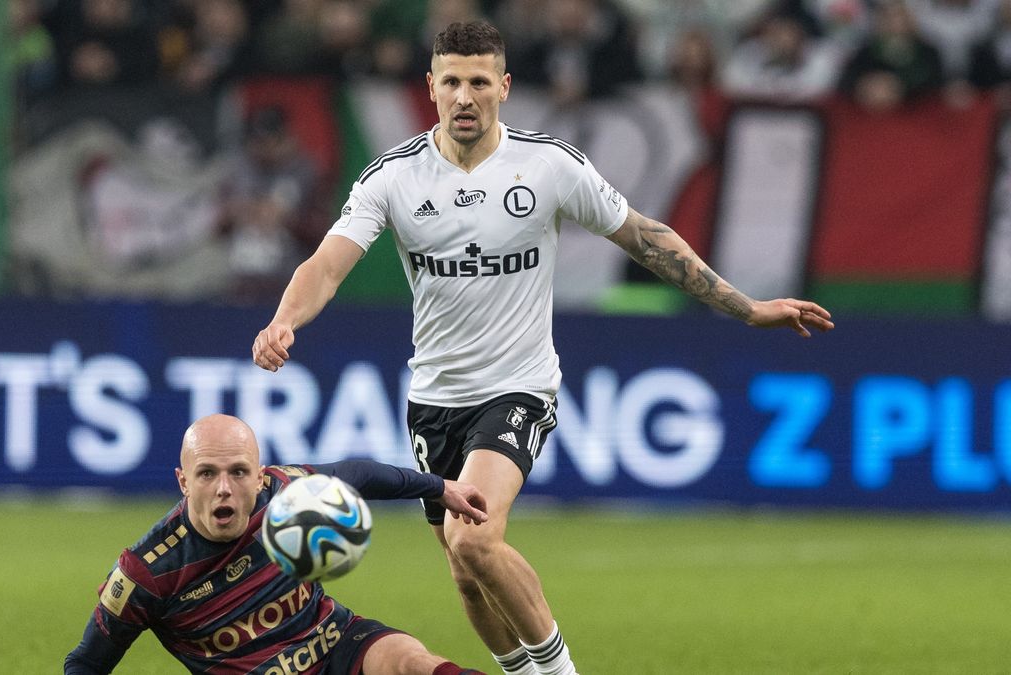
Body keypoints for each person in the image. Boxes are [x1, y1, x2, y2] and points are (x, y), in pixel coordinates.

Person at [252, 21, 835, 675]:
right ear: (431, 89)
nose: (465, 96)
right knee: (466, 567)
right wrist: (285, 321)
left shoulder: (548, 165)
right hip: (433, 400)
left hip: (518, 386)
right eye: (452, 82)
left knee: (474, 537)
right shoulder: (395, 176)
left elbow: (646, 237)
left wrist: (746, 306)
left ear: (503, 86)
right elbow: (328, 264)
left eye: (478, 82)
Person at [65, 414, 491, 674]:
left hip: (335, 642)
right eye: (207, 473)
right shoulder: (147, 572)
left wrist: (438, 487)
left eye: (238, 472)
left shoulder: (284, 491)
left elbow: (358, 474)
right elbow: (85, 663)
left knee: (411, 662)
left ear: (260, 474)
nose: (225, 488)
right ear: (183, 481)